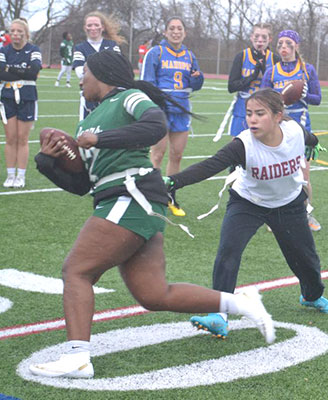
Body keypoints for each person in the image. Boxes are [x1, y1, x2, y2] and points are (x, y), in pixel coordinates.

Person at [29, 50, 274, 379]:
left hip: (131, 195)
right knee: (155, 294)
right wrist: (47, 162)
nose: (80, 78)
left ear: (101, 73)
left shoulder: (129, 97)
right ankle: (241, 303)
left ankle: (77, 357)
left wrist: (100, 138)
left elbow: (155, 124)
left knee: (76, 271)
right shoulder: (87, 120)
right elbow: (81, 185)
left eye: (84, 71)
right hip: (124, 199)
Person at [166, 89, 328, 339]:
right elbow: (209, 166)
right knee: (229, 251)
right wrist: (174, 181)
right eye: (249, 114)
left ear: (278, 116)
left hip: (289, 204)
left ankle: (311, 297)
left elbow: (308, 137)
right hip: (247, 203)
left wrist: (313, 143)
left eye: (260, 113)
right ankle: (219, 314)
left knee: (307, 261)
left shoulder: (294, 132)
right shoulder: (243, 144)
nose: (252, 119)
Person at [260, 30, 322, 232]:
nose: (283, 48)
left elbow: (318, 99)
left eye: (288, 43)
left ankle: (305, 213)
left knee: (303, 175)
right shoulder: (271, 71)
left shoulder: (308, 70)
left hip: (301, 127)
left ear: (296, 46)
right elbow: (260, 98)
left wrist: (304, 95)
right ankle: (275, 215)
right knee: (276, 173)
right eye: (280, 44)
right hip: (278, 126)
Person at [142, 16, 204, 217]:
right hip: (160, 109)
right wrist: (158, 103)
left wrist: (198, 78)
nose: (176, 32)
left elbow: (195, 84)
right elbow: (147, 83)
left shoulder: (190, 55)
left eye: (179, 28)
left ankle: (170, 195)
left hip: (181, 109)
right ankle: (150, 196)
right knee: (157, 154)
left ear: (184, 32)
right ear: (165, 32)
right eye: (172, 28)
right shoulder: (156, 53)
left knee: (177, 154)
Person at [0, 18, 42, 189]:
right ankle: (10, 174)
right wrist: (20, 72)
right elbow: (1, 73)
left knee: (22, 138)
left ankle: (21, 175)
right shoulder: (4, 50)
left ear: (26, 33)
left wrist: (10, 69)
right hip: (8, 96)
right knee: (10, 138)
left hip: (27, 96)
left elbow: (33, 72)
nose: (15, 34)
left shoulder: (34, 50)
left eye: (19, 31)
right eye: (12, 31)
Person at [227, 23, 279, 137]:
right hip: (243, 109)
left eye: (264, 37)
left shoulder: (275, 59)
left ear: (270, 39)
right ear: (251, 37)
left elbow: (277, 88)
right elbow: (231, 87)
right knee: (238, 148)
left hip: (266, 109)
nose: (260, 40)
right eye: (257, 36)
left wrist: (265, 71)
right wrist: (252, 76)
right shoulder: (242, 56)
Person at [72, 11, 123, 120]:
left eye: (96, 25)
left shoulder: (112, 45)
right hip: (89, 97)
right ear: (85, 28)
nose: (93, 28)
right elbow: (80, 72)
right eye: (89, 25)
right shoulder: (80, 48)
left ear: (102, 27)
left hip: (111, 97)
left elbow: (118, 69)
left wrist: (92, 71)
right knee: (85, 132)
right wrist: (104, 72)